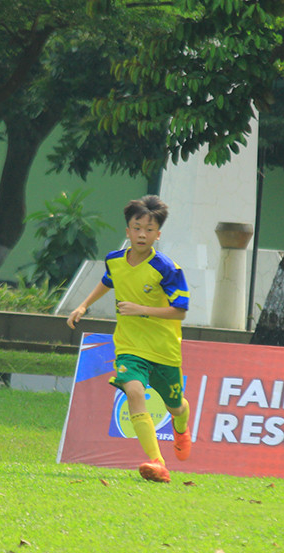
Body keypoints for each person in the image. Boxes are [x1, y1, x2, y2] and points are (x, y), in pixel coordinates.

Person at [67, 194, 192, 483]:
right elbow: (108, 280)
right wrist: (83, 305)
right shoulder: (115, 260)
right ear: (128, 231)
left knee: (176, 405)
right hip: (129, 347)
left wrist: (141, 310)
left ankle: (181, 427)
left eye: (149, 230)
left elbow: (180, 312)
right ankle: (157, 462)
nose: (142, 234)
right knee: (134, 391)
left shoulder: (167, 268)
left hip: (164, 350)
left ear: (158, 235)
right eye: (137, 228)